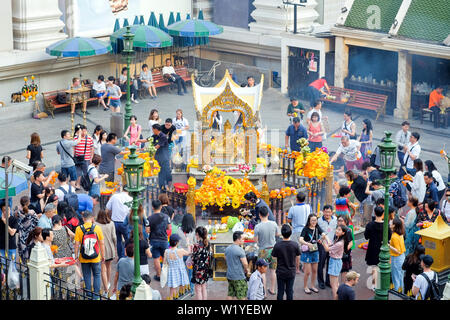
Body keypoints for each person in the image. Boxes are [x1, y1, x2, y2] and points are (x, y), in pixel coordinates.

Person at [74, 210, 106, 299]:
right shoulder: (97, 228)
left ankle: (88, 295)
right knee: (97, 275)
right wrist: (103, 256)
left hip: (84, 257)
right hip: (96, 257)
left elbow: (76, 244)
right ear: (92, 219)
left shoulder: (78, 229)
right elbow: (102, 243)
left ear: (83, 219)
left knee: (87, 275)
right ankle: (96, 296)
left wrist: (76, 256)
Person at [364, 206, 392, 291]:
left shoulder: (370, 225)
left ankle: (375, 284)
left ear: (375, 213)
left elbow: (366, 236)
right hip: (382, 248)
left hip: (372, 247)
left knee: (374, 267)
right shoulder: (386, 225)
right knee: (380, 266)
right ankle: (378, 283)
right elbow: (389, 237)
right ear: (383, 214)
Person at [254, 206, 279, 296]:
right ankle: (272, 289)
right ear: (268, 214)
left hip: (263, 251)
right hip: (273, 250)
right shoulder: (274, 224)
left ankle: (264, 293)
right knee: (273, 271)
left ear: (259, 215)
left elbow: (255, 240)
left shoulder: (257, 226)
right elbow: (278, 234)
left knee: (262, 272)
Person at [271, 224, 301, 300]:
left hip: (280, 271)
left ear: (282, 233)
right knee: (289, 291)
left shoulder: (277, 245)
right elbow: (298, 258)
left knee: (280, 291)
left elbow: (273, 258)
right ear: (290, 233)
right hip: (291, 271)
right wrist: (297, 268)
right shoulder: (295, 245)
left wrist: (275, 268)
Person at [299, 214, 325, 294]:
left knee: (314, 270)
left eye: (315, 220)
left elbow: (323, 234)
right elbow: (300, 239)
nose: (314, 222)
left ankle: (312, 286)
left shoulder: (317, 228)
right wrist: (307, 244)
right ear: (309, 221)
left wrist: (322, 238)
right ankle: (305, 286)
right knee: (308, 272)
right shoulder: (305, 229)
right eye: (312, 220)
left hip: (315, 251)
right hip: (307, 252)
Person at [321, 225, 348, 300]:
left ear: (343, 233)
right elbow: (330, 244)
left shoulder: (340, 243)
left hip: (335, 262)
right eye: (337, 229)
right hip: (335, 261)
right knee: (336, 283)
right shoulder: (338, 239)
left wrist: (323, 240)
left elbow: (327, 249)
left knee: (333, 285)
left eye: (339, 230)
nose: (336, 231)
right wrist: (326, 239)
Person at [106, 188, 132, 259]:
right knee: (128, 240)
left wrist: (108, 219)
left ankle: (121, 257)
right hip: (126, 222)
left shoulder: (114, 196)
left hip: (115, 222)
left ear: (122, 189)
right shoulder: (130, 199)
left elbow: (107, 209)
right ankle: (128, 255)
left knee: (118, 240)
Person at [287, 192, 310, 273]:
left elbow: (289, 219)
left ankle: (297, 268)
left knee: (296, 251)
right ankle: (304, 266)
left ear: (296, 199)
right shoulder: (308, 207)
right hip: (306, 231)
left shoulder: (292, 208)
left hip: (296, 231)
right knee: (305, 249)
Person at [148, 199, 170, 281]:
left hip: (154, 240)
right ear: (161, 207)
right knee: (165, 258)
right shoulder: (166, 217)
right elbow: (168, 228)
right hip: (164, 239)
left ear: (153, 207)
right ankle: (166, 275)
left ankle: (159, 275)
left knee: (156, 258)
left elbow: (147, 230)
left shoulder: (149, 218)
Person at [96, 209, 116, 294]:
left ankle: (105, 287)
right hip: (110, 247)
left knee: (102, 268)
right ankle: (108, 282)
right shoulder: (111, 224)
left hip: (101, 249)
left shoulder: (96, 225)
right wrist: (114, 246)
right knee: (109, 266)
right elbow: (114, 237)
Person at [164, 234, 191, 298]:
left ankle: (172, 298)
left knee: (172, 290)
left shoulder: (166, 251)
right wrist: (188, 243)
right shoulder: (180, 251)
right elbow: (189, 253)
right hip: (180, 271)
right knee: (182, 287)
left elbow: (165, 262)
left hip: (171, 272)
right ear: (177, 242)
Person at [225, 231, 249, 300]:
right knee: (241, 296)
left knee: (230, 294)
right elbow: (245, 263)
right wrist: (247, 270)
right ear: (238, 240)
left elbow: (225, 258)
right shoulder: (240, 250)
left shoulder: (227, 249)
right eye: (242, 239)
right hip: (238, 276)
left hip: (230, 275)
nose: (244, 240)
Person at [317, 205, 337, 290]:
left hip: (332, 244)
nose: (327, 214)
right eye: (326, 212)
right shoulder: (319, 220)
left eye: (329, 212)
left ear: (332, 212)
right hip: (322, 244)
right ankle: (321, 282)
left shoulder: (335, 220)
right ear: (323, 211)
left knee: (330, 263)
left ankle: (328, 281)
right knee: (321, 263)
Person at [51, 215, 76, 282]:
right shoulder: (65, 228)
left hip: (57, 254)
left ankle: (61, 290)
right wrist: (70, 241)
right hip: (67, 252)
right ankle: (71, 290)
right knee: (70, 272)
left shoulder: (51, 232)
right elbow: (74, 235)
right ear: (59, 222)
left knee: (60, 274)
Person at [16, 196, 39, 262]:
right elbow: (37, 221)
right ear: (28, 203)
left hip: (21, 236)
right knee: (30, 254)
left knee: (22, 255)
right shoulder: (32, 212)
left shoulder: (17, 212)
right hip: (30, 236)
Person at [192, 226, 212, 300]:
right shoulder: (208, 243)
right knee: (204, 287)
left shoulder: (197, 246)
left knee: (198, 289)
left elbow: (193, 258)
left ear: (197, 234)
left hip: (198, 269)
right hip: (205, 268)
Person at [177, 214, 195, 293]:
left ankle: (183, 291)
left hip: (181, 254)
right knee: (190, 274)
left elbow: (177, 243)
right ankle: (191, 290)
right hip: (190, 254)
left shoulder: (178, 230)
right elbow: (195, 242)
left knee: (181, 273)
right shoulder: (194, 231)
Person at [73, 124, 94, 190]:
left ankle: (88, 183)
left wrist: (91, 158)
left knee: (86, 172)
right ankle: (78, 184)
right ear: (80, 131)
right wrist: (73, 157)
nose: (84, 133)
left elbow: (92, 149)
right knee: (78, 172)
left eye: (85, 131)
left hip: (86, 158)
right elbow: (74, 148)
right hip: (78, 158)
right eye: (83, 131)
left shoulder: (90, 138)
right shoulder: (76, 138)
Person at [152, 124, 172, 189]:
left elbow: (157, 146)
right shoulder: (155, 135)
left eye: (153, 129)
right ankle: (162, 187)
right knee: (160, 172)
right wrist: (138, 140)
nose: (152, 130)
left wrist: (149, 149)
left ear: (156, 129)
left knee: (167, 171)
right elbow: (147, 139)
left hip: (164, 157)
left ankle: (169, 185)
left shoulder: (163, 136)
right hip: (159, 157)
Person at [389, 217, 406, 292]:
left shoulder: (394, 236)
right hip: (402, 257)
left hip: (396, 258)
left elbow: (397, 251)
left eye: (391, 222)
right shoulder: (400, 234)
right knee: (400, 277)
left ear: (394, 225)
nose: (390, 223)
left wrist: (388, 245)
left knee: (396, 278)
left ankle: (397, 294)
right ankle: (401, 293)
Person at [337, 215, 354, 283]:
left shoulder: (348, 230)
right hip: (337, 254)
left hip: (344, 254)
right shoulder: (337, 229)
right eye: (338, 221)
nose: (340, 222)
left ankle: (343, 286)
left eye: (341, 221)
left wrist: (344, 250)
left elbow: (351, 243)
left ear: (345, 222)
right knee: (337, 270)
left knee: (344, 271)